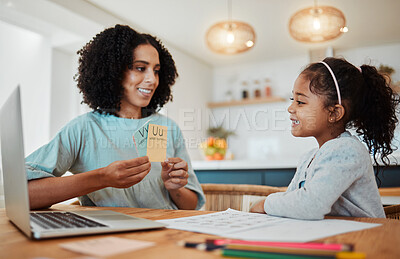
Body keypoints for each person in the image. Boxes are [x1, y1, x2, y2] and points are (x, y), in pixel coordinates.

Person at [25, 24, 205, 210]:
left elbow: (192, 206)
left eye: (156, 70)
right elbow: (25, 194)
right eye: (141, 68)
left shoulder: (168, 127)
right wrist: (102, 178)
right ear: (114, 71)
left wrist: (174, 187)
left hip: (168, 232)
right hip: (109, 236)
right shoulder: (84, 128)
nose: (153, 79)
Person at [250, 57, 399, 219]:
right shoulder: (309, 158)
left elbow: (310, 205)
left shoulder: (347, 150)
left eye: (300, 102)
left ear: (334, 113)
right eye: (293, 99)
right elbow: (292, 205)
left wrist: (265, 204)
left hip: (366, 239)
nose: (290, 108)